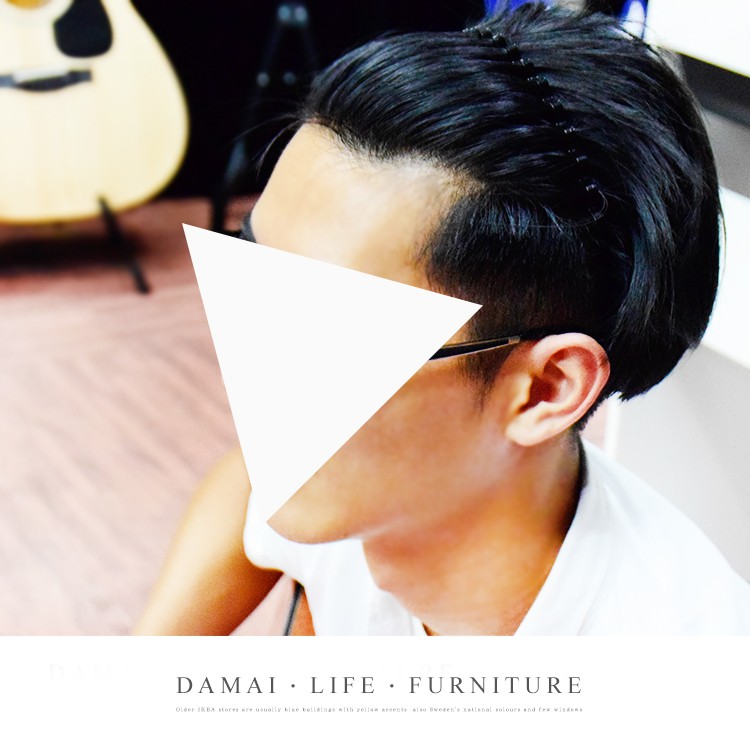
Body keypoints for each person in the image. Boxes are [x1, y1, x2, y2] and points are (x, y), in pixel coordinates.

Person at [134, 2, 750, 636]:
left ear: (546, 388)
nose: (248, 379)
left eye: (327, 339)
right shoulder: (349, 478)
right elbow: (249, 485)